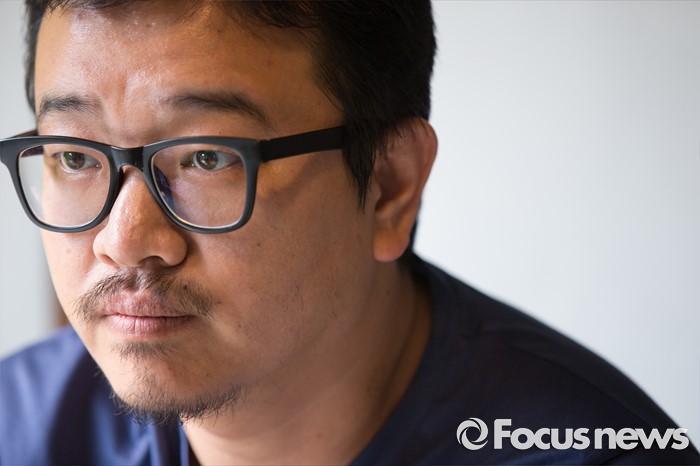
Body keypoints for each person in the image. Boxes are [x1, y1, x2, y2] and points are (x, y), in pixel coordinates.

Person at [0, 1, 697, 464]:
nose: (122, 240)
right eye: (73, 156)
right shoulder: (19, 427)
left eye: (207, 157)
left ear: (390, 185)